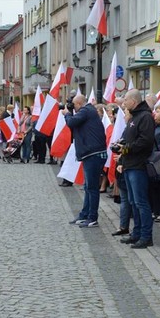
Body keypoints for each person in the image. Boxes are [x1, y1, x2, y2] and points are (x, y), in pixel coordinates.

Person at [118, 89, 156, 249]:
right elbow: (129, 138)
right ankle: (136, 233)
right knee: (133, 201)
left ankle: (146, 236)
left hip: (139, 165)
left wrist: (126, 148)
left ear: (133, 101)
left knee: (141, 202)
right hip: (129, 164)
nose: (123, 103)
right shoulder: (134, 116)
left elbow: (145, 141)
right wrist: (120, 145)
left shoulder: (145, 117)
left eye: (125, 100)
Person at [65, 93, 108, 227]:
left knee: (92, 187)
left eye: (74, 105)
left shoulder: (86, 110)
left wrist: (67, 113)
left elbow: (71, 122)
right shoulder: (88, 111)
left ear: (79, 103)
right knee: (88, 187)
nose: (73, 107)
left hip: (93, 154)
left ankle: (92, 217)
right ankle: (84, 214)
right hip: (90, 153)